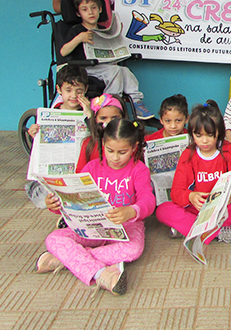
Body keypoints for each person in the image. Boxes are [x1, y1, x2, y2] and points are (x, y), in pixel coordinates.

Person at [36, 118, 155, 296]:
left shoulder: (139, 169)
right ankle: (102, 274)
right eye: (110, 151)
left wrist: (131, 211)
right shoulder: (91, 168)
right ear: (102, 144)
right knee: (53, 239)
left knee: (133, 249)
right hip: (91, 227)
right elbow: (72, 200)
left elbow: (148, 200)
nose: (115, 157)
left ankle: (68, 259)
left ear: (134, 147)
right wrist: (54, 205)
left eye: (122, 152)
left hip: (126, 228)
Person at [156, 102, 231, 247]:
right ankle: (219, 232)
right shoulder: (188, 154)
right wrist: (190, 197)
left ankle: (191, 230)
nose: (204, 141)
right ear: (191, 134)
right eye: (198, 135)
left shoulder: (229, 150)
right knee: (163, 210)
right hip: (195, 208)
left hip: (222, 208)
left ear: (219, 132)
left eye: (210, 135)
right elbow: (177, 191)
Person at [61, 0, 153, 119]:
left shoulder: (104, 30)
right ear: (78, 13)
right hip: (85, 68)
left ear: (100, 9)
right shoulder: (77, 30)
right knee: (115, 71)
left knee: (125, 70)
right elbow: (63, 52)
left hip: (105, 66)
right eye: (84, 9)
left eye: (93, 8)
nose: (90, 12)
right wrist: (78, 39)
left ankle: (136, 101)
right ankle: (110, 103)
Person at [26, 65, 93, 209]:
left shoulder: (90, 112)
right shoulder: (51, 114)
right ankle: (53, 203)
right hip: (56, 174)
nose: (74, 96)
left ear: (86, 89)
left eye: (79, 91)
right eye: (68, 90)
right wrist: (35, 134)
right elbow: (42, 147)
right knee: (41, 192)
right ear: (58, 90)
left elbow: (99, 137)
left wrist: (90, 115)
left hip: (80, 171)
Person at [77, 94, 127, 173]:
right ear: (96, 119)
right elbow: (80, 173)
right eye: (103, 118)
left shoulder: (131, 141)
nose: (109, 122)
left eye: (115, 118)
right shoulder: (88, 143)